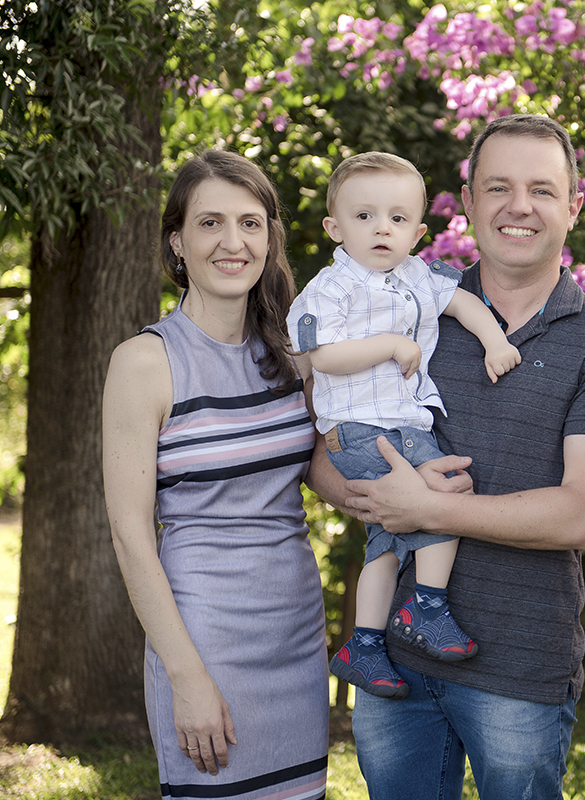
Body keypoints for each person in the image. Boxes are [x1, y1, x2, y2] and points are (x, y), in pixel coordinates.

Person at [312, 115, 585, 800]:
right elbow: (322, 458)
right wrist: (380, 492)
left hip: (518, 665)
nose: (519, 206)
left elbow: (580, 516)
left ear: (574, 207)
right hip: (392, 663)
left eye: (542, 190)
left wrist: (426, 507)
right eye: (498, 187)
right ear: (466, 202)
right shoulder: (406, 309)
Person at [103, 150, 329, 799]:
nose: (234, 242)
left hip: (296, 635)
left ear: (269, 236)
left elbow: (337, 470)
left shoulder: (293, 357)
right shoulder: (145, 362)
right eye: (211, 224)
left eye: (250, 223)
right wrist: (186, 675)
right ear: (178, 240)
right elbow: (128, 535)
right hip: (204, 643)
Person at [288, 152, 521, 698]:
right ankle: (426, 609)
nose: (380, 229)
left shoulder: (418, 275)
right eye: (364, 216)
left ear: (418, 232)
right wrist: (392, 345)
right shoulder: (331, 288)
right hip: (359, 428)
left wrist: (495, 341)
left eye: (396, 219)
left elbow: (463, 303)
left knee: (387, 543)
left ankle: (363, 646)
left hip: (405, 425)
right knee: (440, 509)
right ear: (334, 227)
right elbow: (322, 356)